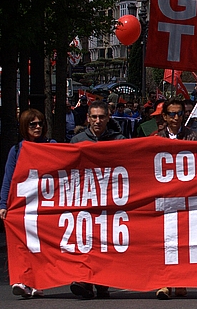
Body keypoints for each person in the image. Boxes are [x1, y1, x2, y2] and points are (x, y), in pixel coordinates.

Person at [69, 101, 123, 299]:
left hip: (111, 203)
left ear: (108, 118)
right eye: (94, 117)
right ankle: (85, 280)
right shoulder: (77, 141)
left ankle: (102, 282)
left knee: (106, 244)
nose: (98, 121)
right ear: (88, 118)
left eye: (102, 117)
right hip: (86, 201)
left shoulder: (119, 141)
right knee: (85, 243)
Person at [0, 109, 55, 299]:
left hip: (48, 205)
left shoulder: (52, 146)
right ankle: (22, 280)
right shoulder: (16, 150)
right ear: (25, 127)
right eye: (33, 124)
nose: (37, 127)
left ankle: (37, 283)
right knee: (22, 245)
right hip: (24, 206)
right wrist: (3, 204)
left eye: (40, 123)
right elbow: (9, 178)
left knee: (42, 247)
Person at [152, 99, 197, 300]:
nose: (175, 118)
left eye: (179, 114)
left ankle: (181, 280)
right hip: (164, 198)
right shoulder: (155, 139)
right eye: (171, 114)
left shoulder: (195, 137)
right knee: (164, 242)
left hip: (188, 197)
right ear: (164, 116)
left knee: (184, 242)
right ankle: (164, 282)